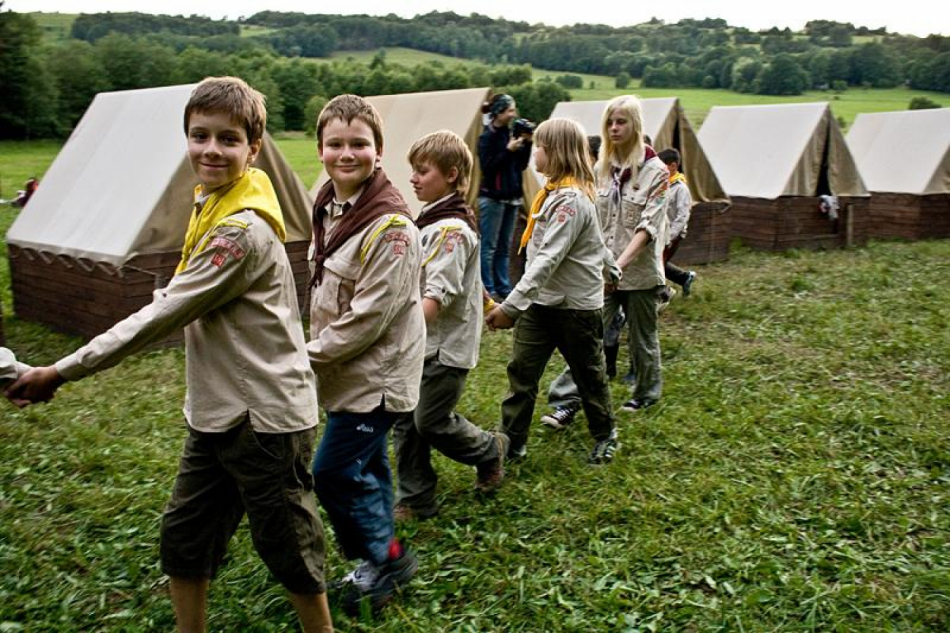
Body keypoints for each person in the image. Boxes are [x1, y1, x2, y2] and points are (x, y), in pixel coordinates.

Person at [5, 77, 334, 633]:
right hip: (215, 412)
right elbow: (179, 293)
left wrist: (59, 370)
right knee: (186, 534)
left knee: (287, 544)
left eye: (227, 139)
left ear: (253, 149)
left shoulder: (241, 231)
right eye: (199, 135)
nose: (211, 149)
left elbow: (163, 314)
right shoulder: (215, 202)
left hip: (265, 419)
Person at [307, 94, 423, 615]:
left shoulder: (391, 227)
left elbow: (369, 319)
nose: (345, 153)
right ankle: (384, 556)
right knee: (369, 469)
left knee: (331, 473)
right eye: (335, 144)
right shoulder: (329, 204)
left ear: (380, 150)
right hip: (344, 373)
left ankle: (384, 557)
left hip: (376, 378)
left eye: (359, 143)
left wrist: (302, 356)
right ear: (320, 149)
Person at [485, 118, 620, 466]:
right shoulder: (552, 195)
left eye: (540, 147)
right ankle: (511, 443)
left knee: (588, 374)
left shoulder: (572, 200)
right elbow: (594, 243)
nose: (535, 152)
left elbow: (548, 258)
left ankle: (606, 433)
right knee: (522, 374)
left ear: (556, 152)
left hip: (574, 308)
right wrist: (612, 266)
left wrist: (510, 307)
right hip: (540, 305)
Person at [391, 130, 508, 522]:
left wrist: (396, 332)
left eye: (422, 171)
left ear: (452, 174)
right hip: (418, 345)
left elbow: (438, 294)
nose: (413, 178)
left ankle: (488, 449)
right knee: (406, 422)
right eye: (414, 171)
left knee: (430, 420)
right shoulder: (432, 221)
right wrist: (491, 301)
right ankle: (417, 497)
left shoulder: (451, 229)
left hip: (443, 347)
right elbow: (470, 279)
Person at [539, 95, 669, 427]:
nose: (614, 128)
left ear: (636, 125)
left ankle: (646, 393)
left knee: (642, 336)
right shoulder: (599, 170)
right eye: (610, 121)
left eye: (622, 121)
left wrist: (618, 267)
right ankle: (567, 401)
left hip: (639, 272)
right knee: (588, 335)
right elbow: (591, 221)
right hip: (601, 273)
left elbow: (648, 228)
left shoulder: (655, 172)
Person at [478, 94, 532, 301]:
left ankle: (504, 287)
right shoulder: (487, 137)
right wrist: (507, 151)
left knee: (504, 246)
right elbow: (488, 168)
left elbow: (522, 165)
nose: (514, 114)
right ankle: (487, 289)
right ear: (499, 112)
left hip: (512, 198)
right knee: (489, 246)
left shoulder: (510, 134)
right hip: (493, 198)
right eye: (510, 110)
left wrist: (525, 144)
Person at [658, 148, 696, 301]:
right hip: (661, 231)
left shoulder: (681, 189)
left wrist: (670, 237)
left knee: (657, 264)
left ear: (673, 166)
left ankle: (664, 294)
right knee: (658, 261)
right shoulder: (664, 184)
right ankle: (684, 278)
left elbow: (682, 217)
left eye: (663, 166)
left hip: (673, 234)